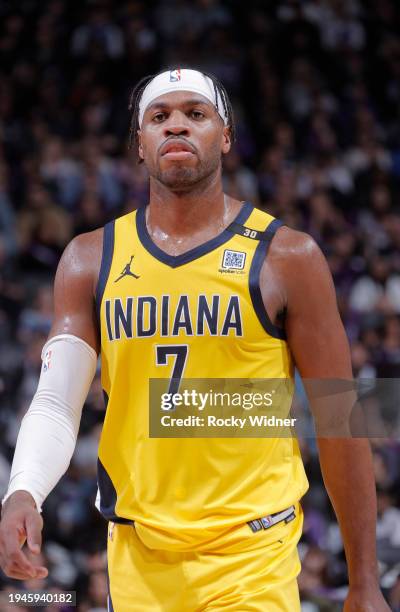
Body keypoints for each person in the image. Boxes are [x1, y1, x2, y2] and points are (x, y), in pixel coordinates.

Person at [0, 68, 390, 611]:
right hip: (137, 554)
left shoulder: (289, 256)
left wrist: (364, 581)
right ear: (139, 144)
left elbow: (341, 415)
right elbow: (56, 402)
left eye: (195, 114)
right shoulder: (90, 258)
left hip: (251, 553)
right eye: (159, 117)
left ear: (225, 136)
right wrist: (24, 489)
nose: (176, 125)